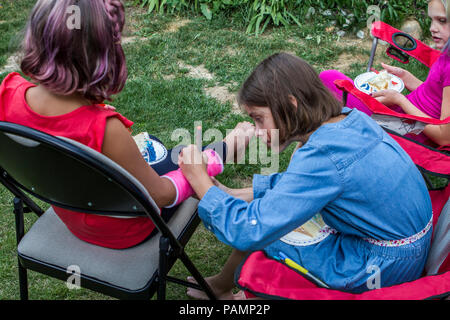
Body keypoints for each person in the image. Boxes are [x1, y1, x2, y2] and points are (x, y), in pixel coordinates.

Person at [0, 0, 254, 249]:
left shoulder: (7, 91)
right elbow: (163, 196)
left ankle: (216, 173)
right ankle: (229, 147)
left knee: (154, 146)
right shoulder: (105, 129)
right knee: (184, 157)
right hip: (125, 229)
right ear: (104, 55)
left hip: (73, 212)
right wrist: (200, 169)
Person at [178, 53, 433, 299]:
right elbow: (305, 185)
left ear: (291, 105)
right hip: (405, 245)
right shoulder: (348, 119)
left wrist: (201, 181)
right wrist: (235, 194)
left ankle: (232, 292)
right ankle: (222, 285)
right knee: (270, 213)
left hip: (380, 266)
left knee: (271, 230)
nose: (257, 131)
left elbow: (249, 230)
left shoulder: (322, 154)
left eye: (259, 119)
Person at [320, 0, 450, 147]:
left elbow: (444, 136)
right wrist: (405, 77)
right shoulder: (446, 53)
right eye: (431, 20)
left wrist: (400, 100)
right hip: (402, 115)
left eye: (442, 21)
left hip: (405, 130)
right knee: (327, 83)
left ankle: (322, 142)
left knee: (328, 79)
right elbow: (435, 96)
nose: (433, 28)